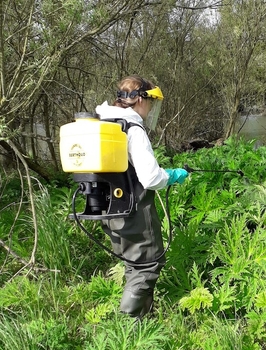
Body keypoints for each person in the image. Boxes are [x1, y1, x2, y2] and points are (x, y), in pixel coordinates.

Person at [95, 75, 188, 318]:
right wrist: (172, 176)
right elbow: (150, 178)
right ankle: (130, 326)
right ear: (139, 100)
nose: (151, 109)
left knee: (132, 263)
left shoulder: (104, 121)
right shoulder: (132, 128)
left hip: (106, 208)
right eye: (151, 102)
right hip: (132, 208)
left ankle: (144, 315)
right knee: (146, 265)